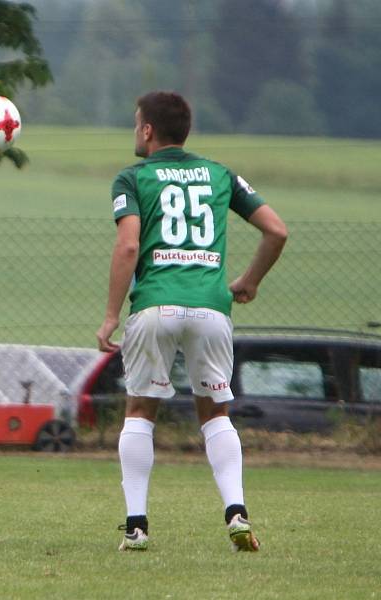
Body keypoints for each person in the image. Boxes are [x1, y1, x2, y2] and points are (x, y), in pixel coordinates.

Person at [96, 91, 287, 552]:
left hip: (156, 307)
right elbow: (277, 230)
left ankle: (137, 527)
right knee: (215, 413)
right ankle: (236, 512)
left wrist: (109, 316)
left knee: (140, 410)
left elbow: (127, 248)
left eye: (135, 123)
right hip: (211, 308)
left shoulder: (133, 177)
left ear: (146, 130)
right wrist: (249, 280)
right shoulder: (219, 174)